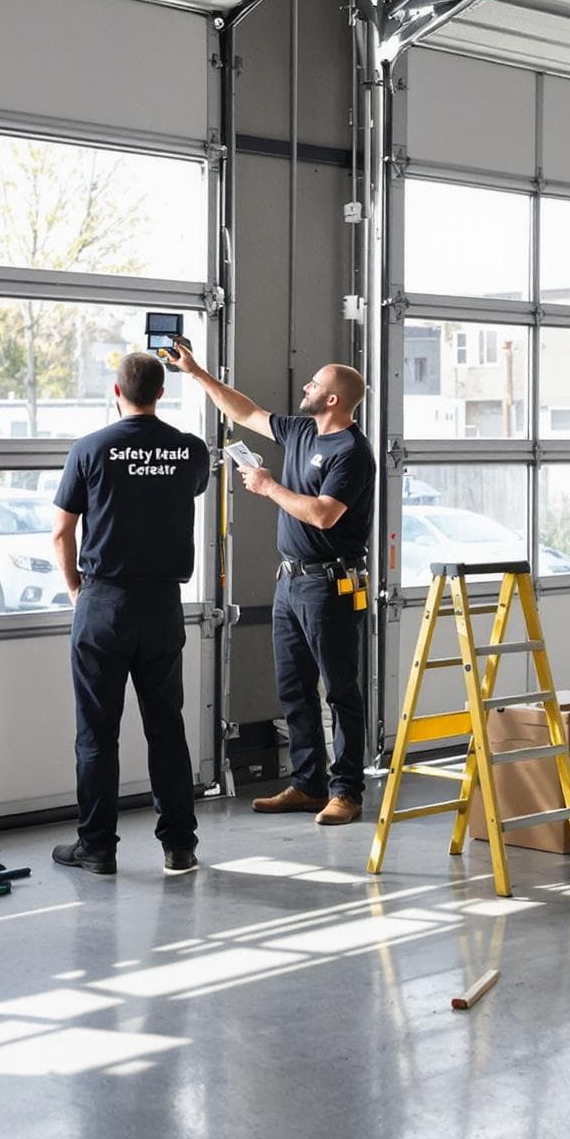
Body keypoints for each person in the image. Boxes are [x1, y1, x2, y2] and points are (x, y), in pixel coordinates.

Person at [168, 343, 375, 826]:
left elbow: (324, 515)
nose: (306, 387)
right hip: (290, 581)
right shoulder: (302, 431)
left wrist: (267, 487)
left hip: (331, 585)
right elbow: (248, 412)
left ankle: (347, 791)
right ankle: (308, 784)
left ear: (333, 401)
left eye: (315, 384)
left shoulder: (351, 453)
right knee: (294, 688)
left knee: (340, 691)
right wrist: (196, 372)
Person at [49, 351, 212, 877]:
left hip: (103, 602)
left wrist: (77, 591)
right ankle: (179, 847)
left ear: (116, 392)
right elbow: (181, 492)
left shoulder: (90, 449)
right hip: (162, 604)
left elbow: (62, 531)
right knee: (166, 727)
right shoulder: (190, 452)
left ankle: (97, 847)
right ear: (161, 393)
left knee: (97, 732)